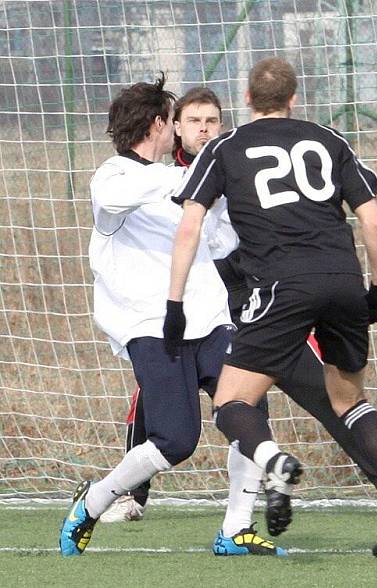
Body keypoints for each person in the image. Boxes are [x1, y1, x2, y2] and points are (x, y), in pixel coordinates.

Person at [101, 87, 377, 533]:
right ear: (173, 127)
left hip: (263, 308)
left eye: (213, 121)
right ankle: (128, 492)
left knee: (320, 392)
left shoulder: (237, 167)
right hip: (202, 317)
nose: (204, 128)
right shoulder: (176, 176)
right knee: (162, 392)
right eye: (194, 120)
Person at [58, 74, 287, 558]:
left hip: (208, 317)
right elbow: (118, 199)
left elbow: (221, 240)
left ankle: (235, 529)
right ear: (160, 125)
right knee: (175, 440)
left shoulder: (191, 183)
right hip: (150, 327)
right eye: (177, 119)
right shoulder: (115, 175)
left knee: (247, 407)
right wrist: (193, 180)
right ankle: (94, 501)